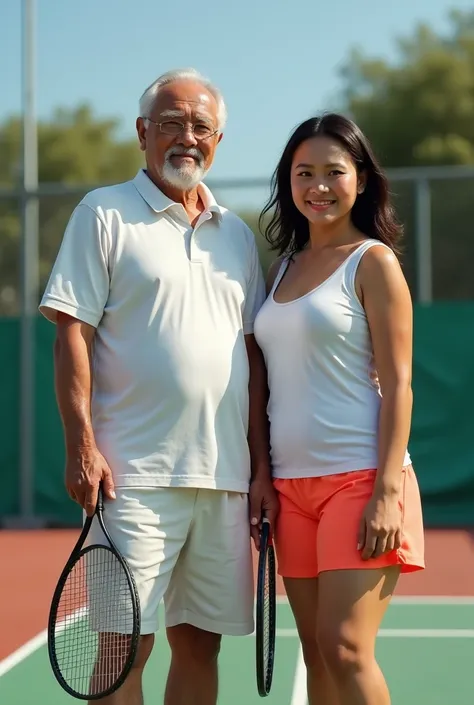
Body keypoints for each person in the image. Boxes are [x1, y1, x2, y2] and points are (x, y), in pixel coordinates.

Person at [39, 67, 278, 705]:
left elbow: (252, 359)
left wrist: (260, 469)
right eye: (170, 123)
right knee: (125, 650)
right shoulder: (103, 212)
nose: (186, 137)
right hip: (131, 479)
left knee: (201, 645)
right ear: (143, 132)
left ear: (218, 140)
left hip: (225, 482)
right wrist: (81, 445)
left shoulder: (237, 236)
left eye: (201, 126)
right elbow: (71, 336)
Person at [253, 113, 425, 705]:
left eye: (334, 171)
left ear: (361, 180)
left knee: (346, 648)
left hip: (359, 479)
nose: (318, 186)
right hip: (289, 489)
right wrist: (264, 481)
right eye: (305, 173)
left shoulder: (373, 262)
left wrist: (387, 490)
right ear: (288, 182)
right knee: (318, 652)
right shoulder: (278, 272)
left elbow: (400, 383)